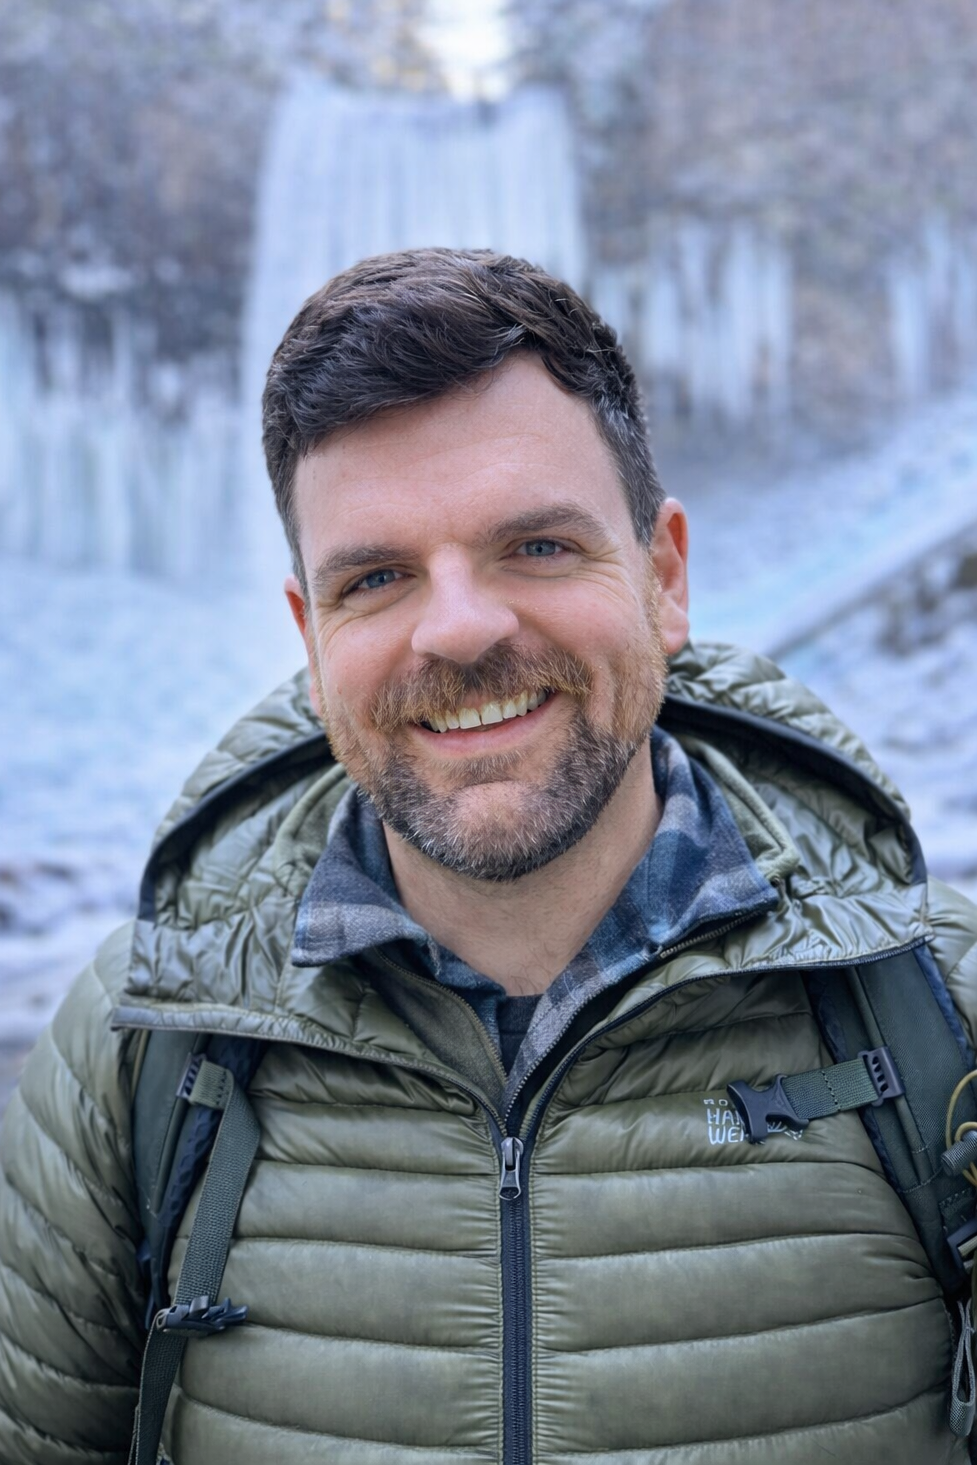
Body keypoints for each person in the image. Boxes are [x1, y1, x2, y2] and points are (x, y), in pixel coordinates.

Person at [1, 247, 976, 1465]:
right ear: (312, 634)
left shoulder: (941, 1010)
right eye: (376, 577)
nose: (459, 629)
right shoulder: (136, 1046)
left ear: (662, 577)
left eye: (538, 547)